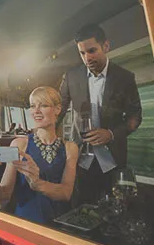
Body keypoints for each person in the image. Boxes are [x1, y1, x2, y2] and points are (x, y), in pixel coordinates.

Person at [58, 24, 142, 203]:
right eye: (82, 53)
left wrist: (111, 134)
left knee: (115, 210)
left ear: (106, 46)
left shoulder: (125, 78)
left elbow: (135, 116)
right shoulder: (71, 77)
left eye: (92, 50)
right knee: (82, 208)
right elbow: (58, 110)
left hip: (113, 160)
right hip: (80, 159)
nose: (87, 58)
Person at [0, 86, 79, 224]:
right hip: (27, 224)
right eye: (32, 106)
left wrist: (38, 184)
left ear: (57, 109)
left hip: (60, 226)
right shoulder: (18, 144)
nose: (36, 111)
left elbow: (66, 192)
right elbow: (1, 201)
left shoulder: (70, 148)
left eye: (43, 105)